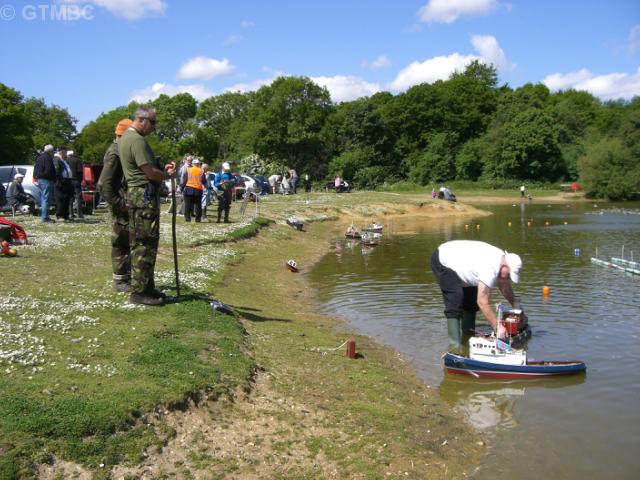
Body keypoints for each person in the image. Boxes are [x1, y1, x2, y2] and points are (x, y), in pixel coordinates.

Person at [119, 106, 176, 306]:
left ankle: (146, 286)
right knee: (144, 243)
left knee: (145, 242)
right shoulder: (137, 140)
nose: (153, 127)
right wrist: (167, 175)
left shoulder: (127, 138)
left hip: (138, 195)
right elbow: (150, 173)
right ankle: (139, 292)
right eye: (152, 122)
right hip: (143, 196)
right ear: (141, 119)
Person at [430, 240, 523, 352]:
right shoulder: (490, 269)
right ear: (504, 266)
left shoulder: (502, 260)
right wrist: (498, 327)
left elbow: (504, 285)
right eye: (508, 275)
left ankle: (468, 336)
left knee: (471, 301)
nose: (507, 278)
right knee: (455, 299)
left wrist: (517, 308)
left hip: (462, 264)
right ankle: (455, 346)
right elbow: (482, 302)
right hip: (443, 260)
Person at [97, 118, 133, 293]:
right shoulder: (115, 153)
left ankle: (127, 276)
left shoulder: (120, 151)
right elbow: (103, 184)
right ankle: (120, 280)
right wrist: (120, 204)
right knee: (120, 240)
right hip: (120, 204)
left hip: (124, 202)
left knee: (126, 239)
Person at [33, 144, 57, 223]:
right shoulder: (48, 158)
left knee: (43, 199)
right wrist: (53, 178)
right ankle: (45, 217)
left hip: (40, 179)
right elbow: (49, 169)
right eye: (53, 151)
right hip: (46, 180)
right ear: (51, 151)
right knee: (46, 199)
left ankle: (43, 215)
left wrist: (36, 176)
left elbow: (35, 168)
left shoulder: (39, 157)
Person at [53, 146, 74, 222]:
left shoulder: (65, 161)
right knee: (60, 199)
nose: (66, 154)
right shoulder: (57, 160)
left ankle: (66, 215)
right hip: (61, 181)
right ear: (61, 152)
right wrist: (60, 180)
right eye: (65, 152)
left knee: (66, 199)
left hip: (68, 180)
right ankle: (60, 215)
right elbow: (57, 171)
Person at [182, 158, 204, 222]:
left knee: (187, 205)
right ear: (198, 164)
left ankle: (187, 218)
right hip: (198, 190)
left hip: (188, 189)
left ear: (193, 164)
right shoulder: (201, 171)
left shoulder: (189, 170)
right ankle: (198, 219)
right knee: (198, 205)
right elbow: (204, 181)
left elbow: (185, 180)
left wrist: (182, 188)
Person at [66, 150, 84, 218]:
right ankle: (79, 213)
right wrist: (80, 179)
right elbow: (80, 171)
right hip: (76, 180)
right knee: (78, 197)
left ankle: (70, 213)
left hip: (69, 180)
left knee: (70, 197)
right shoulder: (77, 160)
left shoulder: (66, 161)